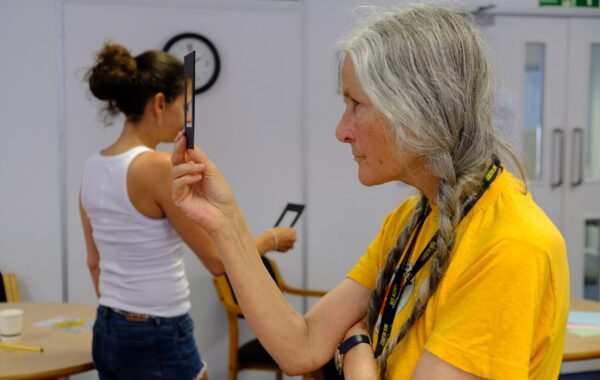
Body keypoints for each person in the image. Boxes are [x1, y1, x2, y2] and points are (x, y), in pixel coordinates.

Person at [170, 4, 569, 380]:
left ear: (419, 111)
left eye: (356, 104)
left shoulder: (511, 246)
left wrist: (358, 354)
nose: (342, 131)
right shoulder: (412, 219)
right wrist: (226, 222)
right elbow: (302, 346)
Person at [79, 43, 297, 380]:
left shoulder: (93, 167)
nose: (189, 117)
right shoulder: (156, 167)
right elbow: (217, 260)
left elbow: (94, 263)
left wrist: (124, 319)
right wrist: (272, 238)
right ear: (160, 104)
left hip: (109, 326)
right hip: (158, 330)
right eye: (186, 105)